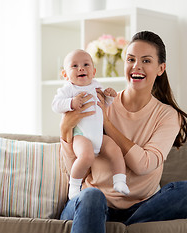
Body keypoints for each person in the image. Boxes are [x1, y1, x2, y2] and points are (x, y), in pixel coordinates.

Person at [59, 31, 187, 233]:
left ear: (161, 68)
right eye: (131, 59)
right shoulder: (99, 100)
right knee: (90, 195)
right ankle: (116, 229)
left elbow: (143, 165)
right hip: (95, 204)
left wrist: (107, 124)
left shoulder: (167, 115)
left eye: (146, 61)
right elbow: (75, 167)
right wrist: (65, 131)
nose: (136, 66)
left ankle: (120, 229)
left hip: (141, 208)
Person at [52, 49, 130, 199]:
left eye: (86, 64)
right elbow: (56, 105)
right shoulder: (69, 89)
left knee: (115, 150)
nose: (81, 68)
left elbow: (103, 104)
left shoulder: (95, 85)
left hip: (99, 135)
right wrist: (71, 103)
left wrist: (109, 96)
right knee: (86, 157)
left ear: (93, 71)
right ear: (65, 75)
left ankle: (119, 180)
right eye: (74, 66)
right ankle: (74, 186)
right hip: (81, 135)